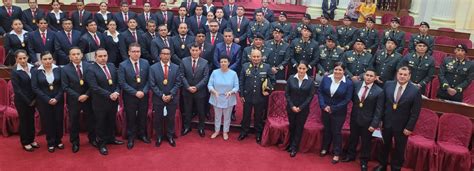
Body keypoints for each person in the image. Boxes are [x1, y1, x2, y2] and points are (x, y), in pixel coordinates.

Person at [373, 66, 422, 171]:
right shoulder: (388, 85)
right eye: (400, 74)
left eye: (405, 75)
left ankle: (396, 168)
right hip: (387, 122)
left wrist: (409, 127)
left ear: (409, 76)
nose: (402, 76)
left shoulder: (415, 90)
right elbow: (381, 104)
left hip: (402, 126)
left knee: (399, 148)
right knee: (384, 145)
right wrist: (380, 120)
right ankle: (382, 165)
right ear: (397, 74)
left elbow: (415, 112)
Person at [341, 69, 384, 171]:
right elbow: (352, 99)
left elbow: (379, 110)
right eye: (367, 75)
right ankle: (350, 155)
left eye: (371, 76)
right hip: (355, 117)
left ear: (375, 78)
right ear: (364, 75)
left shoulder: (379, 91)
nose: (368, 77)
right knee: (353, 138)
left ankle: (364, 161)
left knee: (366, 142)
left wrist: (374, 124)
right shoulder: (356, 85)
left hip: (368, 121)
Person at [85, 48, 124, 156]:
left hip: (113, 100)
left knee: (111, 121)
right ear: (95, 57)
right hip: (100, 102)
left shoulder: (111, 66)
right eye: (100, 56)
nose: (103, 58)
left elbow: (118, 82)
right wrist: (109, 94)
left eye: (105, 56)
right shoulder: (90, 69)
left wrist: (116, 92)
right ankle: (101, 144)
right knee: (100, 123)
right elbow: (94, 87)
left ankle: (111, 138)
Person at [61, 47, 96, 153]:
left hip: (88, 98)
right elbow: (65, 87)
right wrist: (78, 96)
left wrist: (86, 95)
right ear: (70, 57)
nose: (76, 56)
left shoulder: (90, 66)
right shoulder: (65, 69)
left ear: (82, 55)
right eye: (73, 54)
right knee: (74, 122)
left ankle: (93, 139)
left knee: (91, 120)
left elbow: (93, 84)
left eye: (78, 54)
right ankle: (75, 142)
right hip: (74, 100)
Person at [318, 62, 353, 164]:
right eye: (336, 69)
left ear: (344, 71)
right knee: (327, 129)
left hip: (339, 112)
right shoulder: (326, 78)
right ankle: (325, 148)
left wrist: (333, 108)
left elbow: (347, 99)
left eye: (340, 70)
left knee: (336, 131)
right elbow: (320, 92)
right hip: (325, 109)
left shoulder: (348, 83)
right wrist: (323, 106)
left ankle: (337, 153)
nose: (337, 71)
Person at [118, 43, 151, 149]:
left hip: (143, 95)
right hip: (130, 97)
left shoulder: (146, 63)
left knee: (142, 115)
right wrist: (135, 92)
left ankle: (142, 134)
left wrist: (144, 91)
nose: (136, 54)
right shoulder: (123, 65)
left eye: (138, 51)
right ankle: (131, 137)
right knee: (130, 117)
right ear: (129, 52)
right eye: (134, 51)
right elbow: (122, 83)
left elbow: (149, 80)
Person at [238, 49, 275, 144]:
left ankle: (258, 133)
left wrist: (268, 91)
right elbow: (241, 81)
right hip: (247, 96)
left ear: (261, 57)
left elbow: (273, 81)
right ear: (250, 57)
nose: (256, 58)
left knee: (258, 116)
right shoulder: (245, 66)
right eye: (254, 56)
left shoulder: (267, 67)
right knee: (246, 115)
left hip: (260, 97)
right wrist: (241, 94)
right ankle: (244, 132)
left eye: (258, 56)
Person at [31, 51, 64, 153]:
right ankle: (50, 142)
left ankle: (58, 140)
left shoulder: (59, 69)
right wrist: (47, 99)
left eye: (49, 59)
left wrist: (57, 98)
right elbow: (35, 88)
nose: (47, 61)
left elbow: (63, 86)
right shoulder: (36, 71)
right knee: (48, 122)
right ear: (41, 60)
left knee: (58, 120)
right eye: (45, 59)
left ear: (52, 59)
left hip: (58, 100)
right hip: (44, 102)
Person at [149, 47, 182, 148]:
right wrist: (162, 95)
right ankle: (158, 136)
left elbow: (178, 83)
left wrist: (171, 94)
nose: (165, 56)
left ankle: (170, 136)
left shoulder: (176, 67)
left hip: (172, 98)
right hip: (158, 98)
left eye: (168, 54)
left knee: (170, 118)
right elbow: (152, 84)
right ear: (160, 55)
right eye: (163, 54)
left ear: (170, 55)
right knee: (158, 118)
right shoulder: (153, 68)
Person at [285, 60, 316, 157]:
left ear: (307, 69)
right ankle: (290, 144)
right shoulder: (291, 78)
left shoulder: (311, 81)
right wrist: (292, 106)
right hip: (291, 108)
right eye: (300, 68)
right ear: (297, 68)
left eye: (303, 68)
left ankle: (294, 147)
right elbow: (287, 94)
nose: (301, 70)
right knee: (292, 126)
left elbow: (310, 97)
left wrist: (300, 107)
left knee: (299, 127)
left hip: (303, 110)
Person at [11, 50, 38, 152]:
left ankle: (31, 140)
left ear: (27, 57)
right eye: (20, 58)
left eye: (24, 58)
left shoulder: (33, 68)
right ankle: (25, 142)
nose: (23, 60)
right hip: (22, 101)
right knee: (24, 121)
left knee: (31, 120)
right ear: (16, 59)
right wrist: (28, 101)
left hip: (33, 100)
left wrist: (35, 99)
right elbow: (17, 90)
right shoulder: (15, 71)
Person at [180, 44, 210, 137]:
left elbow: (205, 78)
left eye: (196, 50)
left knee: (201, 111)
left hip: (200, 91)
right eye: (193, 50)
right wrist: (188, 87)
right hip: (187, 90)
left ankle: (201, 128)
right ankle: (187, 127)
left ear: (200, 51)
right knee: (187, 110)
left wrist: (196, 87)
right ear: (190, 50)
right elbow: (181, 75)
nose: (194, 52)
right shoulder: (184, 61)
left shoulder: (205, 62)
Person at [208, 56, 239, 140]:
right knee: (217, 116)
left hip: (228, 97)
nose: (223, 63)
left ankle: (225, 131)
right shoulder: (214, 72)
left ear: (229, 63)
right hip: (216, 97)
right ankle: (217, 131)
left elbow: (236, 87)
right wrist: (214, 91)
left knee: (227, 116)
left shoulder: (233, 74)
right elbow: (209, 85)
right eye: (221, 62)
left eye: (225, 62)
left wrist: (231, 92)